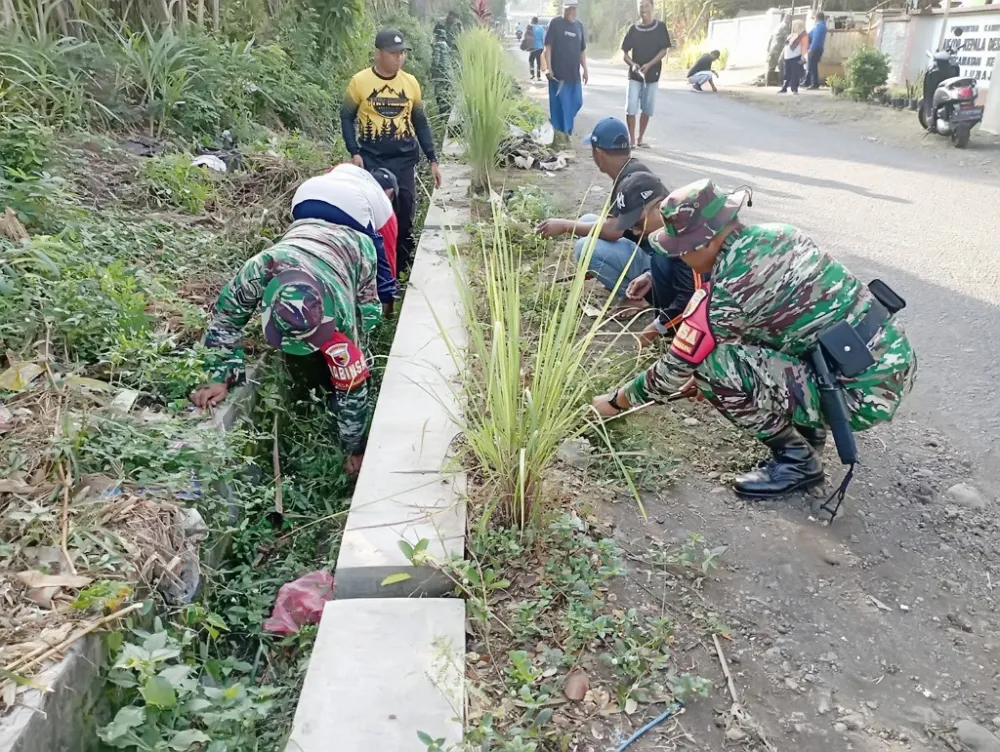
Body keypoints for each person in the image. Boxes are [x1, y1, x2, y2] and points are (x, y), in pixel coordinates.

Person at [592, 179, 916, 500]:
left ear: (703, 244)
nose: (680, 258)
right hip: (891, 357)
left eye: (681, 251)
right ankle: (810, 432)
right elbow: (783, 323)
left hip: (860, 396)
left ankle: (798, 461)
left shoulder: (727, 292)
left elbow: (671, 372)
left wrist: (614, 402)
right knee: (742, 351)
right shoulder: (780, 234)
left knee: (711, 367)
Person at [191, 219, 381, 480]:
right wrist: (220, 375)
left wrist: (354, 447)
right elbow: (226, 320)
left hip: (355, 248)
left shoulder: (342, 314)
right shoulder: (258, 272)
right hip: (303, 232)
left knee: (369, 318)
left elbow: (352, 387)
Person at [341, 28, 443, 277]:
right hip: (372, 160)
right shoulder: (360, 82)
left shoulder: (410, 83)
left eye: (402, 53)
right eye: (394, 53)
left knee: (405, 213)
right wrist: (354, 152)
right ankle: (376, 269)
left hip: (404, 159)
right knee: (376, 215)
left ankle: (401, 269)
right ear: (378, 53)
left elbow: (420, 121)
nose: (399, 58)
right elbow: (346, 117)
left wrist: (433, 158)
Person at [534, 117, 652, 297]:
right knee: (587, 221)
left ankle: (636, 297)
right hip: (651, 252)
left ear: (599, 154)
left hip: (657, 268)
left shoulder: (628, 181)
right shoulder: (633, 169)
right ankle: (621, 276)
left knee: (585, 247)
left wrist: (565, 226)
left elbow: (614, 231)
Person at [611, 172, 706, 347]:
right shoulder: (673, 229)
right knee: (658, 256)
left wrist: (654, 329)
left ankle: (680, 338)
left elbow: (695, 298)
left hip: (722, 315)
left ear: (659, 206)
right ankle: (671, 329)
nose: (637, 233)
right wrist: (650, 277)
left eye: (637, 224)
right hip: (703, 298)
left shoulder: (688, 237)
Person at [291, 163, 399, 317]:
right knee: (372, 253)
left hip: (304, 195)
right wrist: (388, 293)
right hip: (351, 207)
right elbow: (387, 257)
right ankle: (378, 314)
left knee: (311, 249)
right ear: (391, 193)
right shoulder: (384, 204)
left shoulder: (346, 171)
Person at [621, 0, 672, 148]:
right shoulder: (633, 29)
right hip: (635, 75)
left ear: (652, 7)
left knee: (647, 108)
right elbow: (624, 54)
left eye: (646, 6)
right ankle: (631, 140)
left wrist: (649, 65)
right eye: (641, 6)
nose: (644, 9)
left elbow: (664, 50)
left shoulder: (660, 27)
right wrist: (633, 65)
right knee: (631, 107)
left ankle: (640, 138)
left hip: (653, 74)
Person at [543, 0, 589, 139]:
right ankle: (563, 135)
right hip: (558, 76)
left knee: (577, 102)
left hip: (574, 75)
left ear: (576, 9)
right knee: (560, 107)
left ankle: (563, 130)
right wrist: (549, 68)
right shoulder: (555, 23)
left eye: (573, 8)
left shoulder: (579, 26)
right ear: (563, 8)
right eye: (568, 8)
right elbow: (548, 47)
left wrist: (585, 69)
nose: (570, 11)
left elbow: (581, 50)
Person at [431, 22, 454, 121]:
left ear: (437, 36)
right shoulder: (446, 47)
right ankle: (448, 115)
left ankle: (443, 117)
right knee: (447, 95)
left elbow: (436, 62)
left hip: (441, 76)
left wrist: (431, 72)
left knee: (439, 95)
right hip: (449, 75)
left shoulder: (438, 46)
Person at [779, 20, 808, 95]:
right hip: (787, 57)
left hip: (795, 57)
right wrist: (782, 55)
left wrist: (802, 56)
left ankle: (794, 89)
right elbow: (786, 46)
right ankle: (784, 87)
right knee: (787, 73)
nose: (795, 27)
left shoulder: (803, 36)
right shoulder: (791, 36)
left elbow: (804, 47)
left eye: (797, 25)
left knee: (795, 74)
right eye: (795, 25)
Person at [804, 12, 828, 89]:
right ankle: (807, 81)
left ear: (817, 18)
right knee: (810, 65)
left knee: (812, 66)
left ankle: (814, 83)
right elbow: (810, 35)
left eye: (814, 18)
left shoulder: (819, 26)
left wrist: (811, 49)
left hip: (815, 49)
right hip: (818, 48)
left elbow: (816, 39)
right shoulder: (821, 26)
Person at [527, 16, 545, 81]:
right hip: (540, 47)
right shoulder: (541, 28)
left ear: (532, 21)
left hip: (532, 47)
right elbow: (544, 38)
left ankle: (532, 74)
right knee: (539, 62)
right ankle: (539, 76)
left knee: (531, 60)